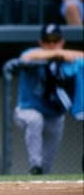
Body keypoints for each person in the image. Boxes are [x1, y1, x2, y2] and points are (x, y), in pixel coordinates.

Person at [14, 23, 84, 175]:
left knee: (47, 164)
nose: (52, 44)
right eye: (48, 41)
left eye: (55, 40)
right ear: (41, 43)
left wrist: (64, 54)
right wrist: (55, 54)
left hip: (54, 115)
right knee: (35, 120)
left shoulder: (68, 58)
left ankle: (39, 177)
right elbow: (26, 57)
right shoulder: (34, 53)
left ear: (62, 41)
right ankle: (35, 164)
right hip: (27, 110)